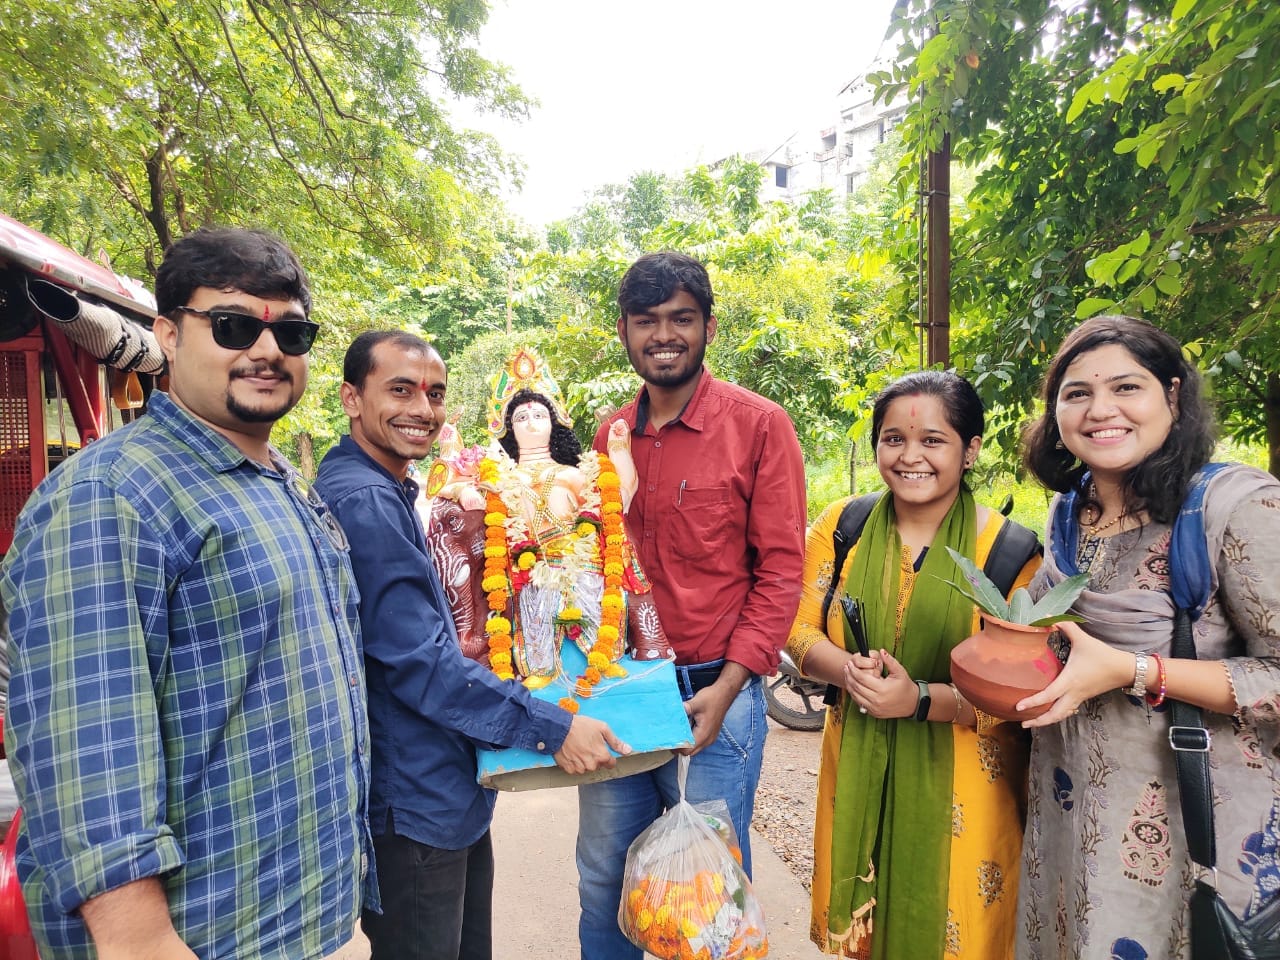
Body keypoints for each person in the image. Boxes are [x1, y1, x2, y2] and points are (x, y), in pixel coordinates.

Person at [1, 227, 373, 959]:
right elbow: (87, 748)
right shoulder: (111, 495)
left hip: (300, 916)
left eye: (290, 332)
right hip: (203, 936)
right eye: (232, 326)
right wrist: (140, 941)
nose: (266, 351)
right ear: (168, 335)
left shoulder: (276, 481)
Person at [313, 330, 628, 960]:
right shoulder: (366, 500)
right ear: (351, 398)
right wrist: (553, 728)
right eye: (400, 390)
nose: (422, 409)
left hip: (441, 788)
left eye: (434, 394)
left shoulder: (387, 487)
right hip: (416, 797)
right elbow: (423, 664)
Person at [1014, 315, 1280, 959]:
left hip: (1195, 837)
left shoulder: (1236, 507)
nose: (1100, 410)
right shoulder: (1069, 513)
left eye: (1126, 387)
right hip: (1070, 826)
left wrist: (1137, 671)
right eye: (1077, 393)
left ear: (1173, 395)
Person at [576, 250, 808, 958]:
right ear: (623, 330)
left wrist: (731, 685)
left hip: (718, 693)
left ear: (708, 326)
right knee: (606, 878)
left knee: (706, 886)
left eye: (681, 318)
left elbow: (781, 571)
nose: (664, 335)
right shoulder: (611, 437)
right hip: (623, 695)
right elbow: (595, 567)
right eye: (646, 320)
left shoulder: (759, 425)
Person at [785, 370, 1041, 959]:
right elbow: (795, 627)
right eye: (893, 439)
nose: (910, 456)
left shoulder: (1009, 552)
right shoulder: (842, 527)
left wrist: (921, 700)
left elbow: (1022, 694)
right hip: (856, 765)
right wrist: (846, 671)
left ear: (970, 450)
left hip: (965, 787)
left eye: (933, 440)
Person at [426, 347, 670, 696]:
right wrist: (463, 490)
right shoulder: (498, 475)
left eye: (539, 415)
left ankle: (605, 656)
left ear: (554, 422)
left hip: (581, 561)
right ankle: (539, 668)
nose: (531, 423)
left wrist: (618, 448)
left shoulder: (574, 473)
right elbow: (441, 487)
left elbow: (619, 499)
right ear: (508, 428)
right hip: (529, 566)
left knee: (594, 595)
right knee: (534, 609)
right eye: (521, 417)